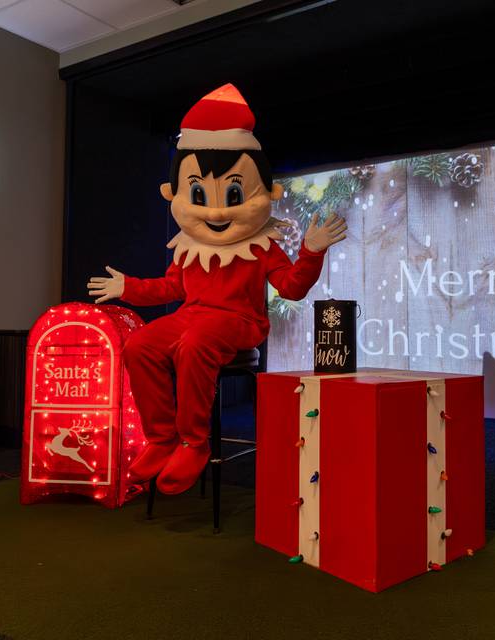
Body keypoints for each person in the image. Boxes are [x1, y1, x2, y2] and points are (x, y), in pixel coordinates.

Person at [87, 84, 346, 494]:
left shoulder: (262, 245)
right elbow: (170, 287)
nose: (217, 209)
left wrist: (311, 252)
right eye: (198, 194)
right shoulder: (190, 247)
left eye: (234, 194)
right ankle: (162, 437)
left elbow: (292, 289)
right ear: (174, 195)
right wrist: (128, 287)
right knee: (139, 346)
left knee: (194, 344)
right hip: (192, 317)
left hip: (240, 322)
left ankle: (194, 441)